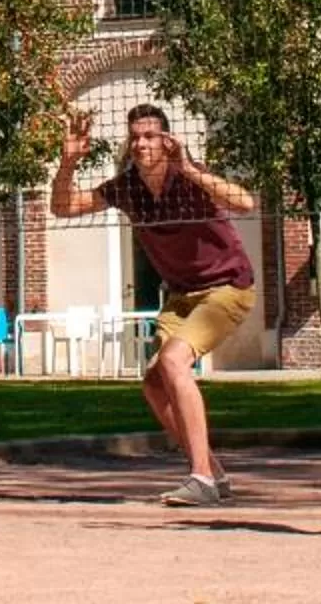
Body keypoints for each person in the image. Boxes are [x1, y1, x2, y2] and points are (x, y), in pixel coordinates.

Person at [49, 102, 258, 507]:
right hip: (180, 297)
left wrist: (193, 169)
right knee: (154, 383)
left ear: (166, 140)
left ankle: (200, 479)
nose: (141, 144)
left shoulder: (189, 177)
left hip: (227, 288)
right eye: (135, 137)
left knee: (173, 362)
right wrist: (69, 161)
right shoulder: (127, 187)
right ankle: (213, 473)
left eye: (150, 136)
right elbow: (62, 207)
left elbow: (245, 203)